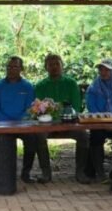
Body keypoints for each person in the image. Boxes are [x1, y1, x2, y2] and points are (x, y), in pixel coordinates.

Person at [0, 56, 44, 182]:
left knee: (32, 139)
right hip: (2, 124)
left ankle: (26, 173)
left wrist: (18, 122)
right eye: (9, 66)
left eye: (15, 67)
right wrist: (8, 123)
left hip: (22, 124)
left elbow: (29, 109)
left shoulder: (28, 86)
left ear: (21, 69)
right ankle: (2, 174)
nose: (11, 69)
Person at [34, 54, 86, 182]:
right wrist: (56, 110)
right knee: (39, 136)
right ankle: (46, 173)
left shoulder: (71, 83)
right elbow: (39, 108)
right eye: (51, 65)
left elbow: (76, 107)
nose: (54, 67)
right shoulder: (40, 85)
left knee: (84, 136)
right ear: (46, 67)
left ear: (62, 66)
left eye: (57, 64)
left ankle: (80, 172)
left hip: (69, 122)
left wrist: (55, 109)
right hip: (47, 124)